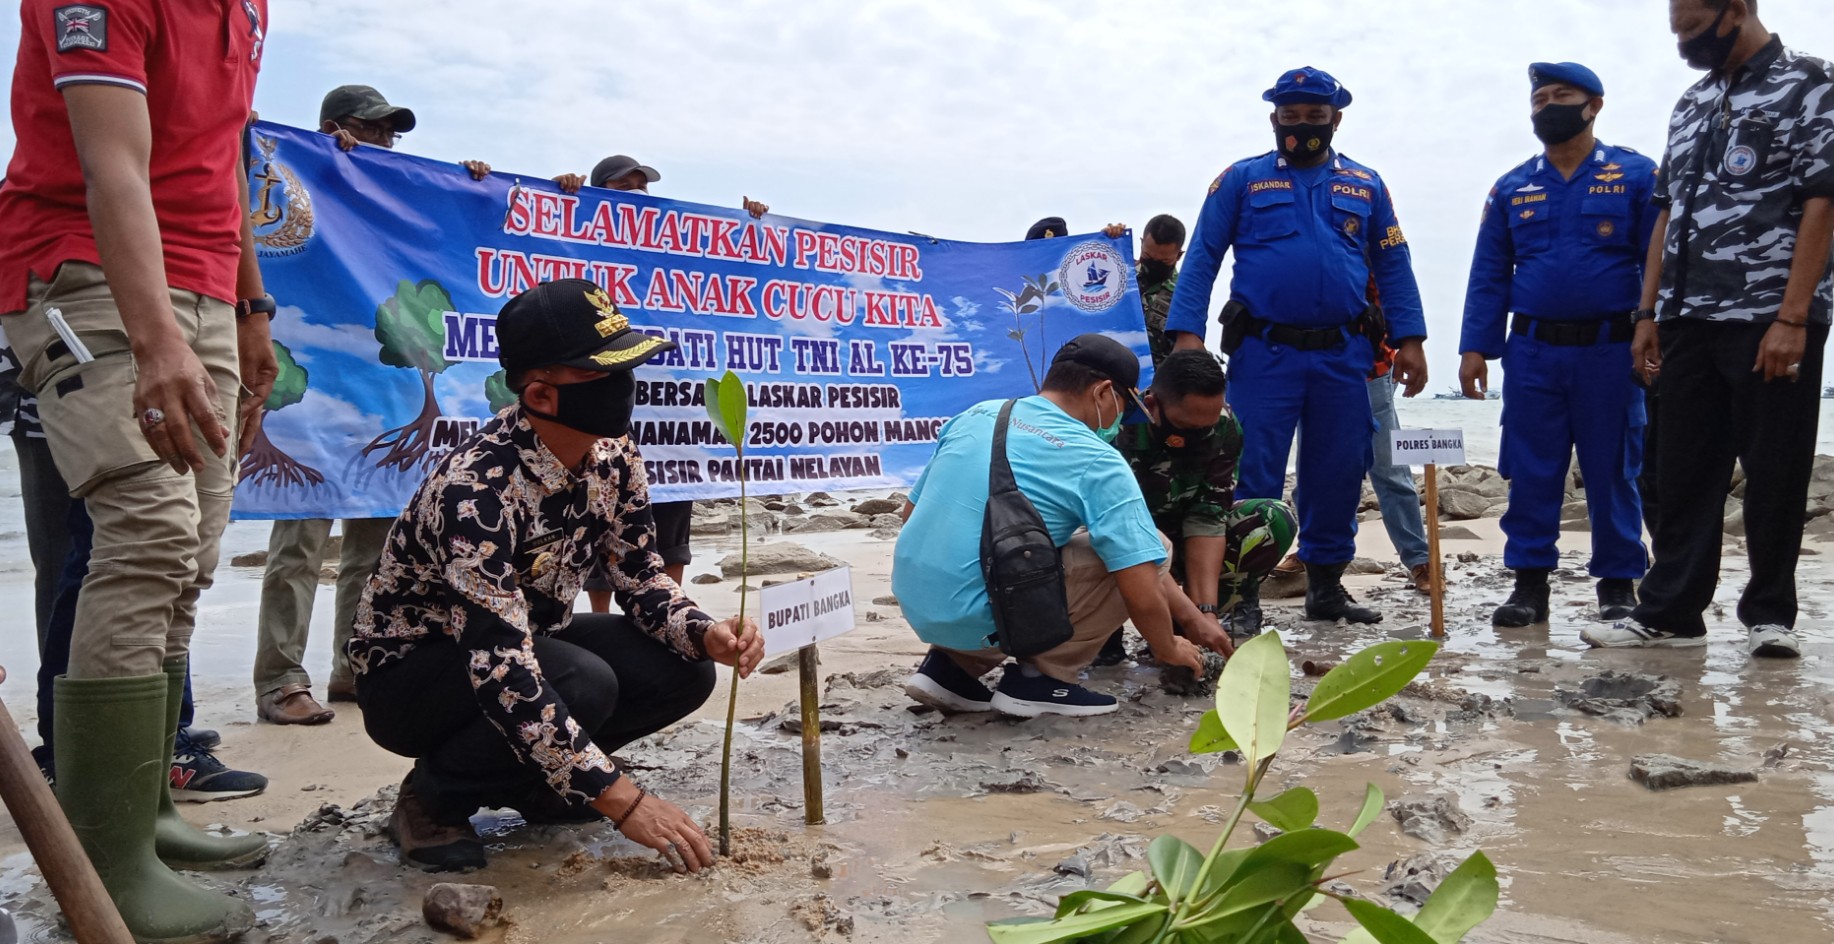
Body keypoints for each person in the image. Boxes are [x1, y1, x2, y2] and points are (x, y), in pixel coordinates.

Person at [0, 1, 275, 939]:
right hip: (86, 270)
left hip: (205, 279)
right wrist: (157, 337)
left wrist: (251, 307)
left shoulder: (246, 7)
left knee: (193, 553)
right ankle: (108, 858)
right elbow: (109, 159)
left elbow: (226, 153)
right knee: (145, 535)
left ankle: (149, 813)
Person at [351, 279, 763, 875]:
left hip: (526, 644)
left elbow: (640, 574)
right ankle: (432, 798)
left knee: (683, 667)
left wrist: (705, 633)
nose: (624, 387)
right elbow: (500, 666)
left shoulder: (613, 454)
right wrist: (623, 800)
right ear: (541, 394)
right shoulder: (475, 490)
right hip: (413, 676)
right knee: (580, 678)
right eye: (603, 374)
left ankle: (542, 786)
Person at [1584, 0, 1834, 658]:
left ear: (1739, 9)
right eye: (1677, 34)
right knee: (1680, 472)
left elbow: (1823, 201)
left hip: (1767, 314)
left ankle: (1769, 615)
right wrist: (1648, 313)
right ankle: (1671, 614)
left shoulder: (1810, 83)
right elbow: (1667, 213)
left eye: (1694, 31)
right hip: (1686, 316)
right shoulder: (1692, 102)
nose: (1685, 46)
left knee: (1775, 469)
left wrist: (1794, 316)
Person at [253, 86, 492, 725]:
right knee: (298, 548)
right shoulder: (297, 185)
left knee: (375, 550)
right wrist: (317, 156)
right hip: (314, 405)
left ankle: (355, 667)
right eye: (370, 130)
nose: (383, 144)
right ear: (332, 127)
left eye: (391, 135)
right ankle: (280, 681)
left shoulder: (390, 202)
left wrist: (468, 189)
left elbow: (450, 236)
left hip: (384, 398)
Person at [1165, 66, 1429, 625]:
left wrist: (1410, 339)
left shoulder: (1367, 184)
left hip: (1344, 356)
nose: (1302, 126)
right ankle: (1242, 595)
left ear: (1335, 118)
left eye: (1314, 116)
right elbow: (1203, 258)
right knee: (1251, 471)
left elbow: (1393, 262)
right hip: (1265, 354)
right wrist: (1187, 337)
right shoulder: (1240, 179)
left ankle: (1327, 586)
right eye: (1291, 117)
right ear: (1274, 118)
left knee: (1337, 468)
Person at [894, 334, 1227, 718]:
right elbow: (1139, 574)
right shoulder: (1095, 458)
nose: (1121, 418)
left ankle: (949, 669)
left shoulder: (977, 414)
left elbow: (910, 514)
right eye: (1123, 405)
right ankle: (1042, 680)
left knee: (1010, 550)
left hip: (918, 602)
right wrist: (1169, 646)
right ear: (1103, 392)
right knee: (1153, 547)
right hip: (977, 613)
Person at [1459, 62, 1659, 629]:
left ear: (1593, 104)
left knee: (1613, 467)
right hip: (1533, 352)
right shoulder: (1511, 187)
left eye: (1561, 95)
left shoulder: (1637, 175)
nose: (1548, 105)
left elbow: (1658, 260)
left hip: (1611, 349)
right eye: (1539, 97)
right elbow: (1489, 272)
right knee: (1531, 467)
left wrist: (1656, 327)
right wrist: (1476, 346)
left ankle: (1619, 585)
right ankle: (1528, 585)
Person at [555, 154, 765, 610]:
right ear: (597, 192)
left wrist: (750, 230)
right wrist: (562, 199)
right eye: (622, 186)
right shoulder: (577, 241)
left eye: (641, 187)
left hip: (673, 418)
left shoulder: (672, 249)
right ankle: (601, 623)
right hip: (609, 409)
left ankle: (669, 617)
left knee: (669, 521)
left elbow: (736, 278)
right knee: (599, 518)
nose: (636, 195)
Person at [1116, 349, 1297, 641]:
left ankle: (1232, 606)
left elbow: (1208, 516)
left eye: (1207, 427)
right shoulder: (1117, 428)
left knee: (1272, 518)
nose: (1199, 436)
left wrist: (1205, 612)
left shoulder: (1223, 424)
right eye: (1188, 427)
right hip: (1127, 544)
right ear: (1152, 406)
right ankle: (1111, 634)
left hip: (1186, 541)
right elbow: (1116, 529)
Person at [1365, 339, 1435, 592]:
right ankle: (1312, 556)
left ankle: (1420, 560)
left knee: (1390, 469)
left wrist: (1411, 343)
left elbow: (1396, 300)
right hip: (1314, 364)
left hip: (1373, 369)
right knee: (1318, 466)